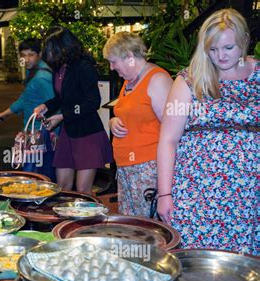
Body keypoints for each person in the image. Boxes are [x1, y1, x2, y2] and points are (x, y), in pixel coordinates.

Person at [157, 9, 258, 255]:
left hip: (250, 195)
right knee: (197, 264)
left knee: (246, 270)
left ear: (244, 40)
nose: (220, 56)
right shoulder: (190, 80)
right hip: (199, 194)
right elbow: (168, 140)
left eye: (228, 48)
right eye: (213, 49)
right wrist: (165, 194)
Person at [34, 26, 113, 194]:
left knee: (83, 190)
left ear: (63, 47)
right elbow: (62, 98)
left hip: (88, 134)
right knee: (62, 187)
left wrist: (62, 116)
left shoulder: (83, 67)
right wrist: (46, 107)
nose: (47, 54)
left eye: (50, 50)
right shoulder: (58, 68)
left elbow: (93, 102)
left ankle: (88, 220)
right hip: (69, 133)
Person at [103, 32, 173, 217]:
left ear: (130, 57)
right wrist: (113, 121)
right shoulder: (129, 80)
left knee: (148, 225)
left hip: (148, 169)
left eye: (113, 61)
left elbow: (173, 129)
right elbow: (128, 112)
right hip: (128, 167)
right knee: (133, 223)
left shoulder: (157, 80)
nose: (111, 67)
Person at [0, 38, 55, 130]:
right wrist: (4, 114)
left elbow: (54, 106)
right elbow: (26, 98)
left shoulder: (42, 77)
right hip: (32, 128)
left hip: (40, 131)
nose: (26, 59)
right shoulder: (31, 70)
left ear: (39, 54)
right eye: (23, 55)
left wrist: (52, 135)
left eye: (31, 55)